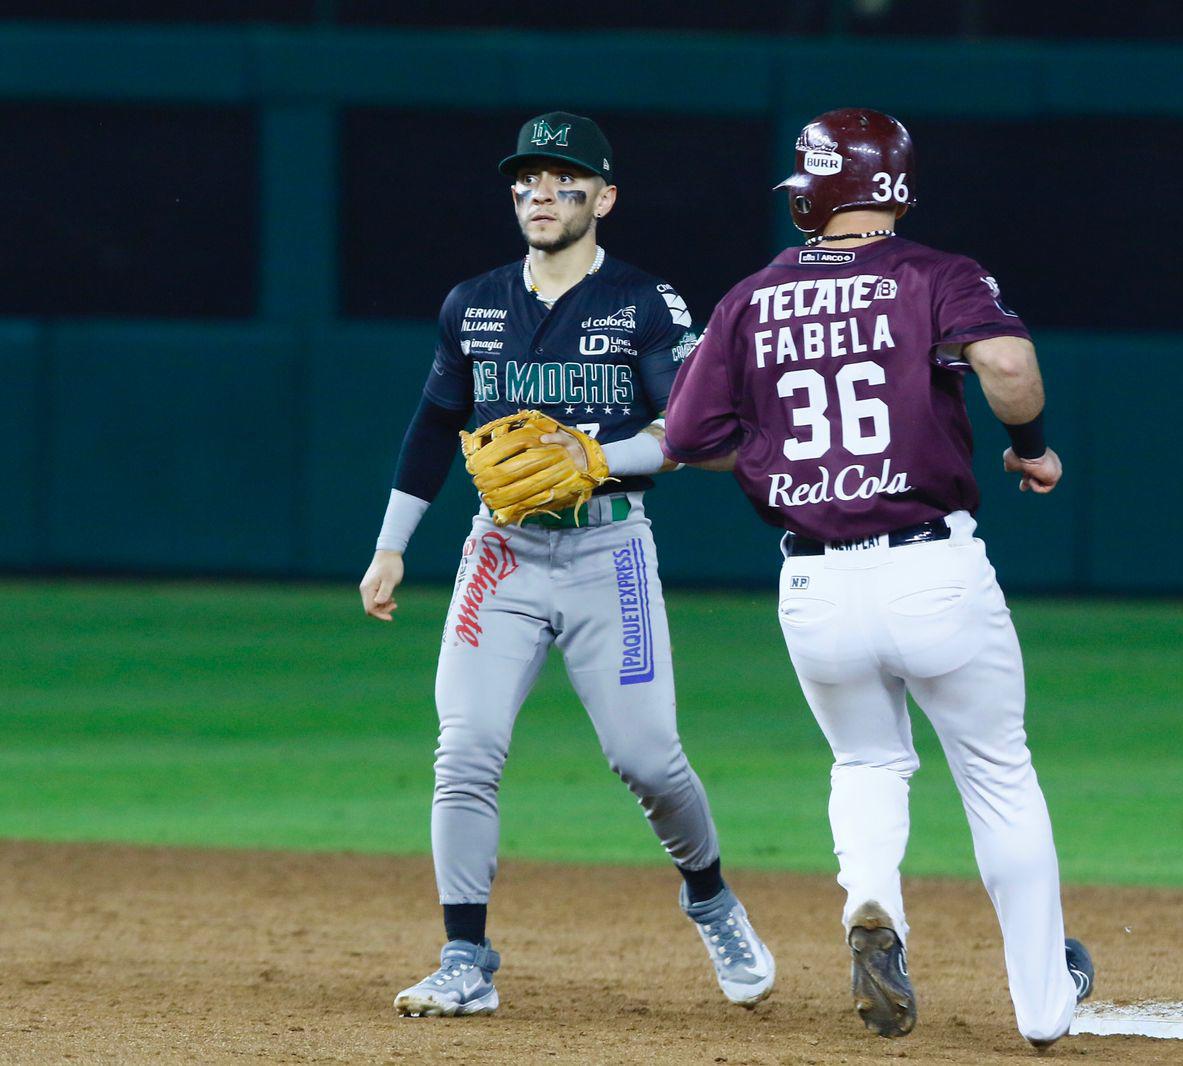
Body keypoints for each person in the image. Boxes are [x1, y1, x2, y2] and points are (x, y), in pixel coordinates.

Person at [661, 108, 1092, 1048]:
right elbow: (1010, 365)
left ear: (819, 190)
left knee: (865, 761)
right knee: (997, 775)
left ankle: (870, 902)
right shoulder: (935, 275)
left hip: (813, 588)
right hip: (930, 566)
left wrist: (779, 446)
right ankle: (1044, 1008)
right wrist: (1032, 448)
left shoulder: (751, 296)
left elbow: (689, 439)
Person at [358, 111, 774, 1018]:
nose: (541, 193)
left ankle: (708, 895)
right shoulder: (472, 302)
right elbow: (435, 426)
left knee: (649, 760)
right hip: (499, 553)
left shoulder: (644, 303)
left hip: (607, 551)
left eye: (563, 179)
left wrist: (596, 456)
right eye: (527, 180)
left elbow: (688, 433)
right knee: (463, 750)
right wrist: (393, 545)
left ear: (604, 196)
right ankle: (464, 956)